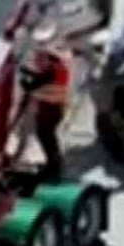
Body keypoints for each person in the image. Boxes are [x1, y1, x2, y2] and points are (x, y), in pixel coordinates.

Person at [25, 44, 72, 183]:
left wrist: (28, 83)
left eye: (40, 59)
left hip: (50, 110)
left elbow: (37, 83)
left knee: (46, 137)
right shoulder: (60, 68)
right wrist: (30, 74)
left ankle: (53, 168)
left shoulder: (52, 69)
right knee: (49, 138)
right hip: (55, 108)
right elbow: (43, 79)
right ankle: (53, 165)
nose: (38, 62)